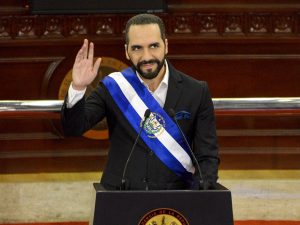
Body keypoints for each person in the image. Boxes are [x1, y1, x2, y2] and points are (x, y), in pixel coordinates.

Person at [61, 13, 219, 190]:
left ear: (166, 46)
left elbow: (207, 156)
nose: (146, 56)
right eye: (137, 48)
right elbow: (73, 128)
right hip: (121, 196)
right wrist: (78, 87)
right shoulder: (114, 87)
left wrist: (201, 193)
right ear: (126, 51)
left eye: (154, 46)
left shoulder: (196, 91)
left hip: (175, 199)